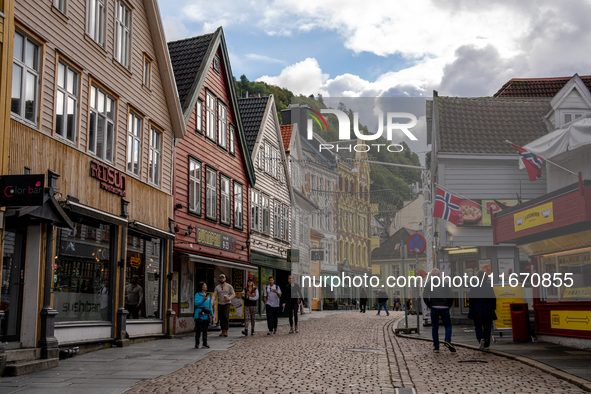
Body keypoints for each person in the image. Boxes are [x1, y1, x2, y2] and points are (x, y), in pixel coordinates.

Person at [423, 268, 456, 353]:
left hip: (434, 307)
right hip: (444, 307)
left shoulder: (428, 284)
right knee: (448, 326)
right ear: (439, 275)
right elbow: (451, 294)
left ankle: (436, 347)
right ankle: (447, 340)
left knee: (435, 327)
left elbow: (425, 296)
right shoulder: (445, 283)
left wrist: (429, 305)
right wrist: (449, 305)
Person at [468, 270, 497, 351]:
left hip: (476, 309)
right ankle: (487, 345)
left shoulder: (474, 285)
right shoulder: (489, 286)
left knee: (478, 326)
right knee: (487, 327)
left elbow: (471, 298)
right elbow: (493, 298)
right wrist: (493, 308)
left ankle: (481, 338)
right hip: (487, 309)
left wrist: (470, 307)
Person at [194, 281, 211, 349]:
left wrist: (211, 313)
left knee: (205, 330)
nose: (205, 287)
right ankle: (197, 343)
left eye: (206, 285)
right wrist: (203, 299)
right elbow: (196, 303)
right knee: (198, 329)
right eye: (204, 285)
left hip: (206, 313)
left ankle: (205, 342)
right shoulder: (197, 295)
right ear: (201, 287)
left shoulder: (208, 295)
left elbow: (209, 305)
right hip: (199, 313)